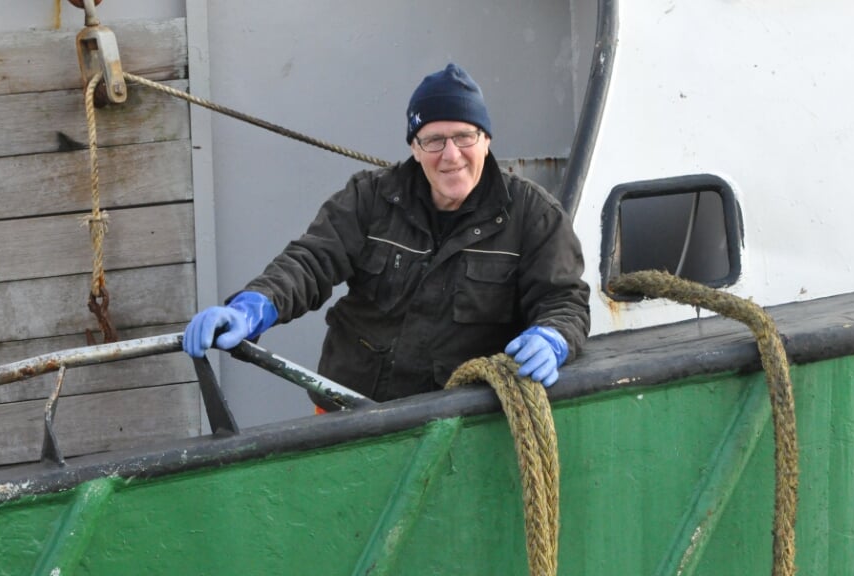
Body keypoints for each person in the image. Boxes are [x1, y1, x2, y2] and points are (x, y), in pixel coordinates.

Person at [183, 63, 590, 410]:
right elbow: (310, 262)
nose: (451, 155)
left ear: (486, 140)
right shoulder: (369, 198)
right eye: (433, 140)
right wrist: (255, 305)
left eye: (465, 136)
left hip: (464, 422)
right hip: (351, 413)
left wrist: (553, 336)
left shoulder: (534, 215)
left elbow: (564, 300)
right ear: (414, 147)